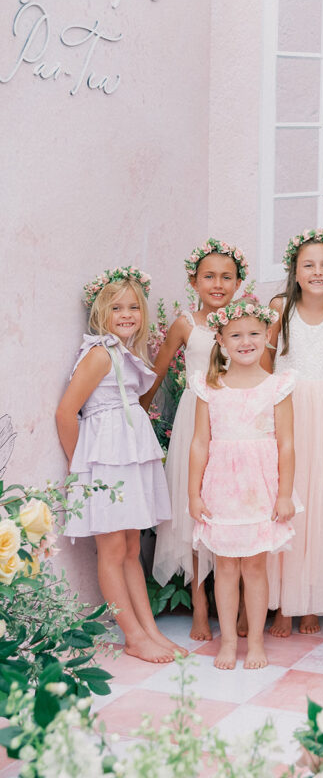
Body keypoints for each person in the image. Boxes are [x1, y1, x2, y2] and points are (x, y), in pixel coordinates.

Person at [56, 267, 180, 664]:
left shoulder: (124, 354)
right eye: (116, 308)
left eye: (133, 307)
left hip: (126, 459)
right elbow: (65, 413)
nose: (126, 314)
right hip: (103, 463)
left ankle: (148, 630)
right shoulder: (97, 355)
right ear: (100, 313)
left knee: (131, 547)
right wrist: (83, 472)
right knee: (111, 550)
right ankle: (133, 636)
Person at [188, 299, 298, 670]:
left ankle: (254, 642)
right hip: (221, 488)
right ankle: (228, 642)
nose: (245, 341)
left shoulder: (278, 386)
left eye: (254, 333)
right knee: (225, 567)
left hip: (260, 487)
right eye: (235, 335)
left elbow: (286, 443)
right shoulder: (209, 386)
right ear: (220, 340)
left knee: (254, 567)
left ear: (267, 336)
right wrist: (193, 493)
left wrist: (284, 495)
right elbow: (200, 442)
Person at [146, 238, 246, 641]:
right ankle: (201, 604)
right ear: (194, 280)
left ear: (238, 283)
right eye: (209, 276)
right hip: (195, 417)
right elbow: (158, 370)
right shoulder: (187, 323)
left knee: (235, 504)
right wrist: (137, 412)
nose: (217, 284)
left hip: (235, 419)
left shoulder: (245, 319)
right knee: (195, 509)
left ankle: (238, 602)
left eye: (226, 276)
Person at [265, 229, 323, 638]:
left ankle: (312, 602)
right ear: (295, 272)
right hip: (286, 404)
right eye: (308, 265)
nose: (317, 272)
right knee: (287, 494)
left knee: (321, 500)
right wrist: (266, 404)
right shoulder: (280, 307)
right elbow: (264, 357)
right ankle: (283, 602)